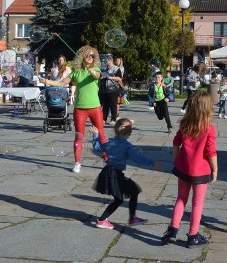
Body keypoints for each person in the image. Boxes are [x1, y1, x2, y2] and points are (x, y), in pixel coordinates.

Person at [161, 92, 218, 249]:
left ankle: (172, 230)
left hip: (183, 168)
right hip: (200, 171)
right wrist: (215, 169)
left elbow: (175, 143)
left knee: (181, 199)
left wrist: (175, 158)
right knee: (197, 203)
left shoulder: (184, 124)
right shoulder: (209, 128)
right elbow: (211, 151)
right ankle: (193, 235)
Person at [41, 45, 107, 174]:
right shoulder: (76, 72)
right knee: (79, 137)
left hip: (95, 107)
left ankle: (106, 159)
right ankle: (77, 162)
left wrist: (92, 71)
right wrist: (48, 81)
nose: (90, 58)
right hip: (80, 109)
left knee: (101, 135)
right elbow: (61, 83)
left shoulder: (96, 69)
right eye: (88, 55)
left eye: (93, 56)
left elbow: (97, 76)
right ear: (82, 56)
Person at [88, 119, 162, 229]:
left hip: (108, 172)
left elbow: (98, 147)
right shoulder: (127, 145)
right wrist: (152, 162)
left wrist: (96, 135)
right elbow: (138, 158)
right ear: (129, 134)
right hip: (114, 174)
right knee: (120, 198)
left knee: (132, 191)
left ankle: (131, 218)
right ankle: (103, 220)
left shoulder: (110, 142)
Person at [99, 54, 123, 126]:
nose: (105, 62)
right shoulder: (103, 68)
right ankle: (104, 118)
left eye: (107, 60)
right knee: (105, 105)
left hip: (113, 89)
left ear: (111, 60)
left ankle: (113, 119)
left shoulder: (116, 68)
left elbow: (119, 78)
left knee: (113, 105)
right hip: (104, 89)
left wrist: (111, 78)